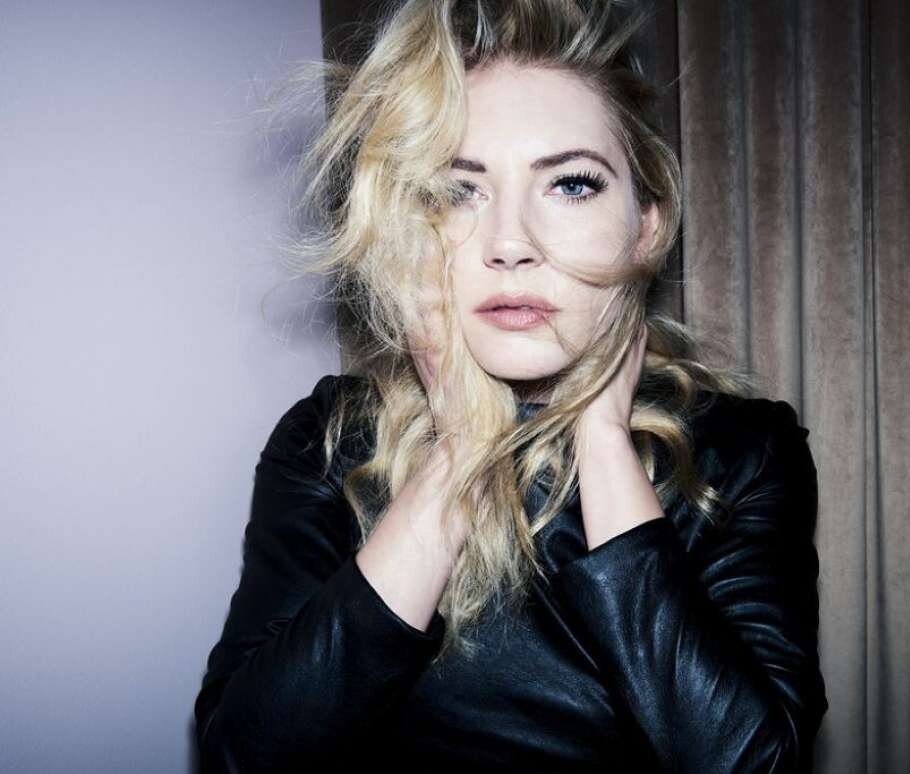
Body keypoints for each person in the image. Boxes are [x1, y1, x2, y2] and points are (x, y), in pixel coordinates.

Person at [194, 0, 828, 771]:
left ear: (647, 224)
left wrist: (603, 443)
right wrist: (459, 452)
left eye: (571, 185)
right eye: (458, 190)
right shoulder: (328, 442)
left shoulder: (745, 451)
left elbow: (751, 761)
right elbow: (247, 755)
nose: (509, 243)